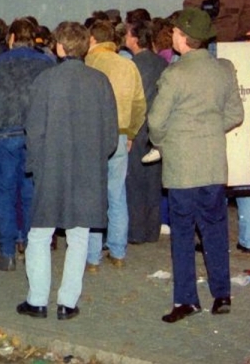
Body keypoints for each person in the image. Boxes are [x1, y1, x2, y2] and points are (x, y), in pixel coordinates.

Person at [148, 8, 244, 323]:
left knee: (183, 233)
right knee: (215, 229)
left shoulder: (174, 74)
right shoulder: (224, 70)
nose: (172, 35)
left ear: (185, 39)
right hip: (213, 163)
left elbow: (156, 122)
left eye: (175, 31)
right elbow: (235, 115)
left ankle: (187, 300)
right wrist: (209, 132)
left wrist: (167, 142)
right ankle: (222, 295)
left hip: (182, 167)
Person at [19, 22, 118, 321]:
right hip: (87, 168)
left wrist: (36, 164)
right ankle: (67, 302)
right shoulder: (100, 81)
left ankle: (37, 300)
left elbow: (32, 130)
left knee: (39, 235)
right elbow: (111, 135)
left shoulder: (45, 81)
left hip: (51, 166)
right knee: (79, 236)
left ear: (59, 47)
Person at [0, 17, 56, 271]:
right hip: (35, 136)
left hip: (4, 136)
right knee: (31, 194)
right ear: (33, 39)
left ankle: (7, 252)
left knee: (5, 195)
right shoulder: (46, 63)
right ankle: (33, 249)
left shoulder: (1, 62)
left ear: (10, 39)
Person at [83, 20, 146, 271]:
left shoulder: (88, 63)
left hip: (90, 136)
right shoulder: (128, 65)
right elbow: (139, 104)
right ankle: (118, 252)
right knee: (116, 193)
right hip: (120, 135)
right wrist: (130, 133)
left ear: (91, 40)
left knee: (92, 194)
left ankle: (92, 257)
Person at [123, 19, 167, 244]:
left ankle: (136, 231)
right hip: (159, 128)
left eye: (128, 34)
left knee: (134, 182)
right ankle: (152, 229)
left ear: (135, 38)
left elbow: (131, 100)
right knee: (154, 181)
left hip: (138, 128)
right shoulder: (162, 63)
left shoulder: (132, 65)